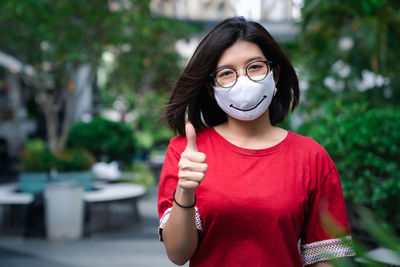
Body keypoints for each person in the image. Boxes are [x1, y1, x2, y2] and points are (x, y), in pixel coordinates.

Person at [158, 17, 355, 266]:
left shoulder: (311, 157)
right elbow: (177, 253)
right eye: (226, 73)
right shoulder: (186, 153)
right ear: (211, 88)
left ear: (274, 74)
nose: (243, 81)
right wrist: (185, 191)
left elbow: (329, 258)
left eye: (255, 67)